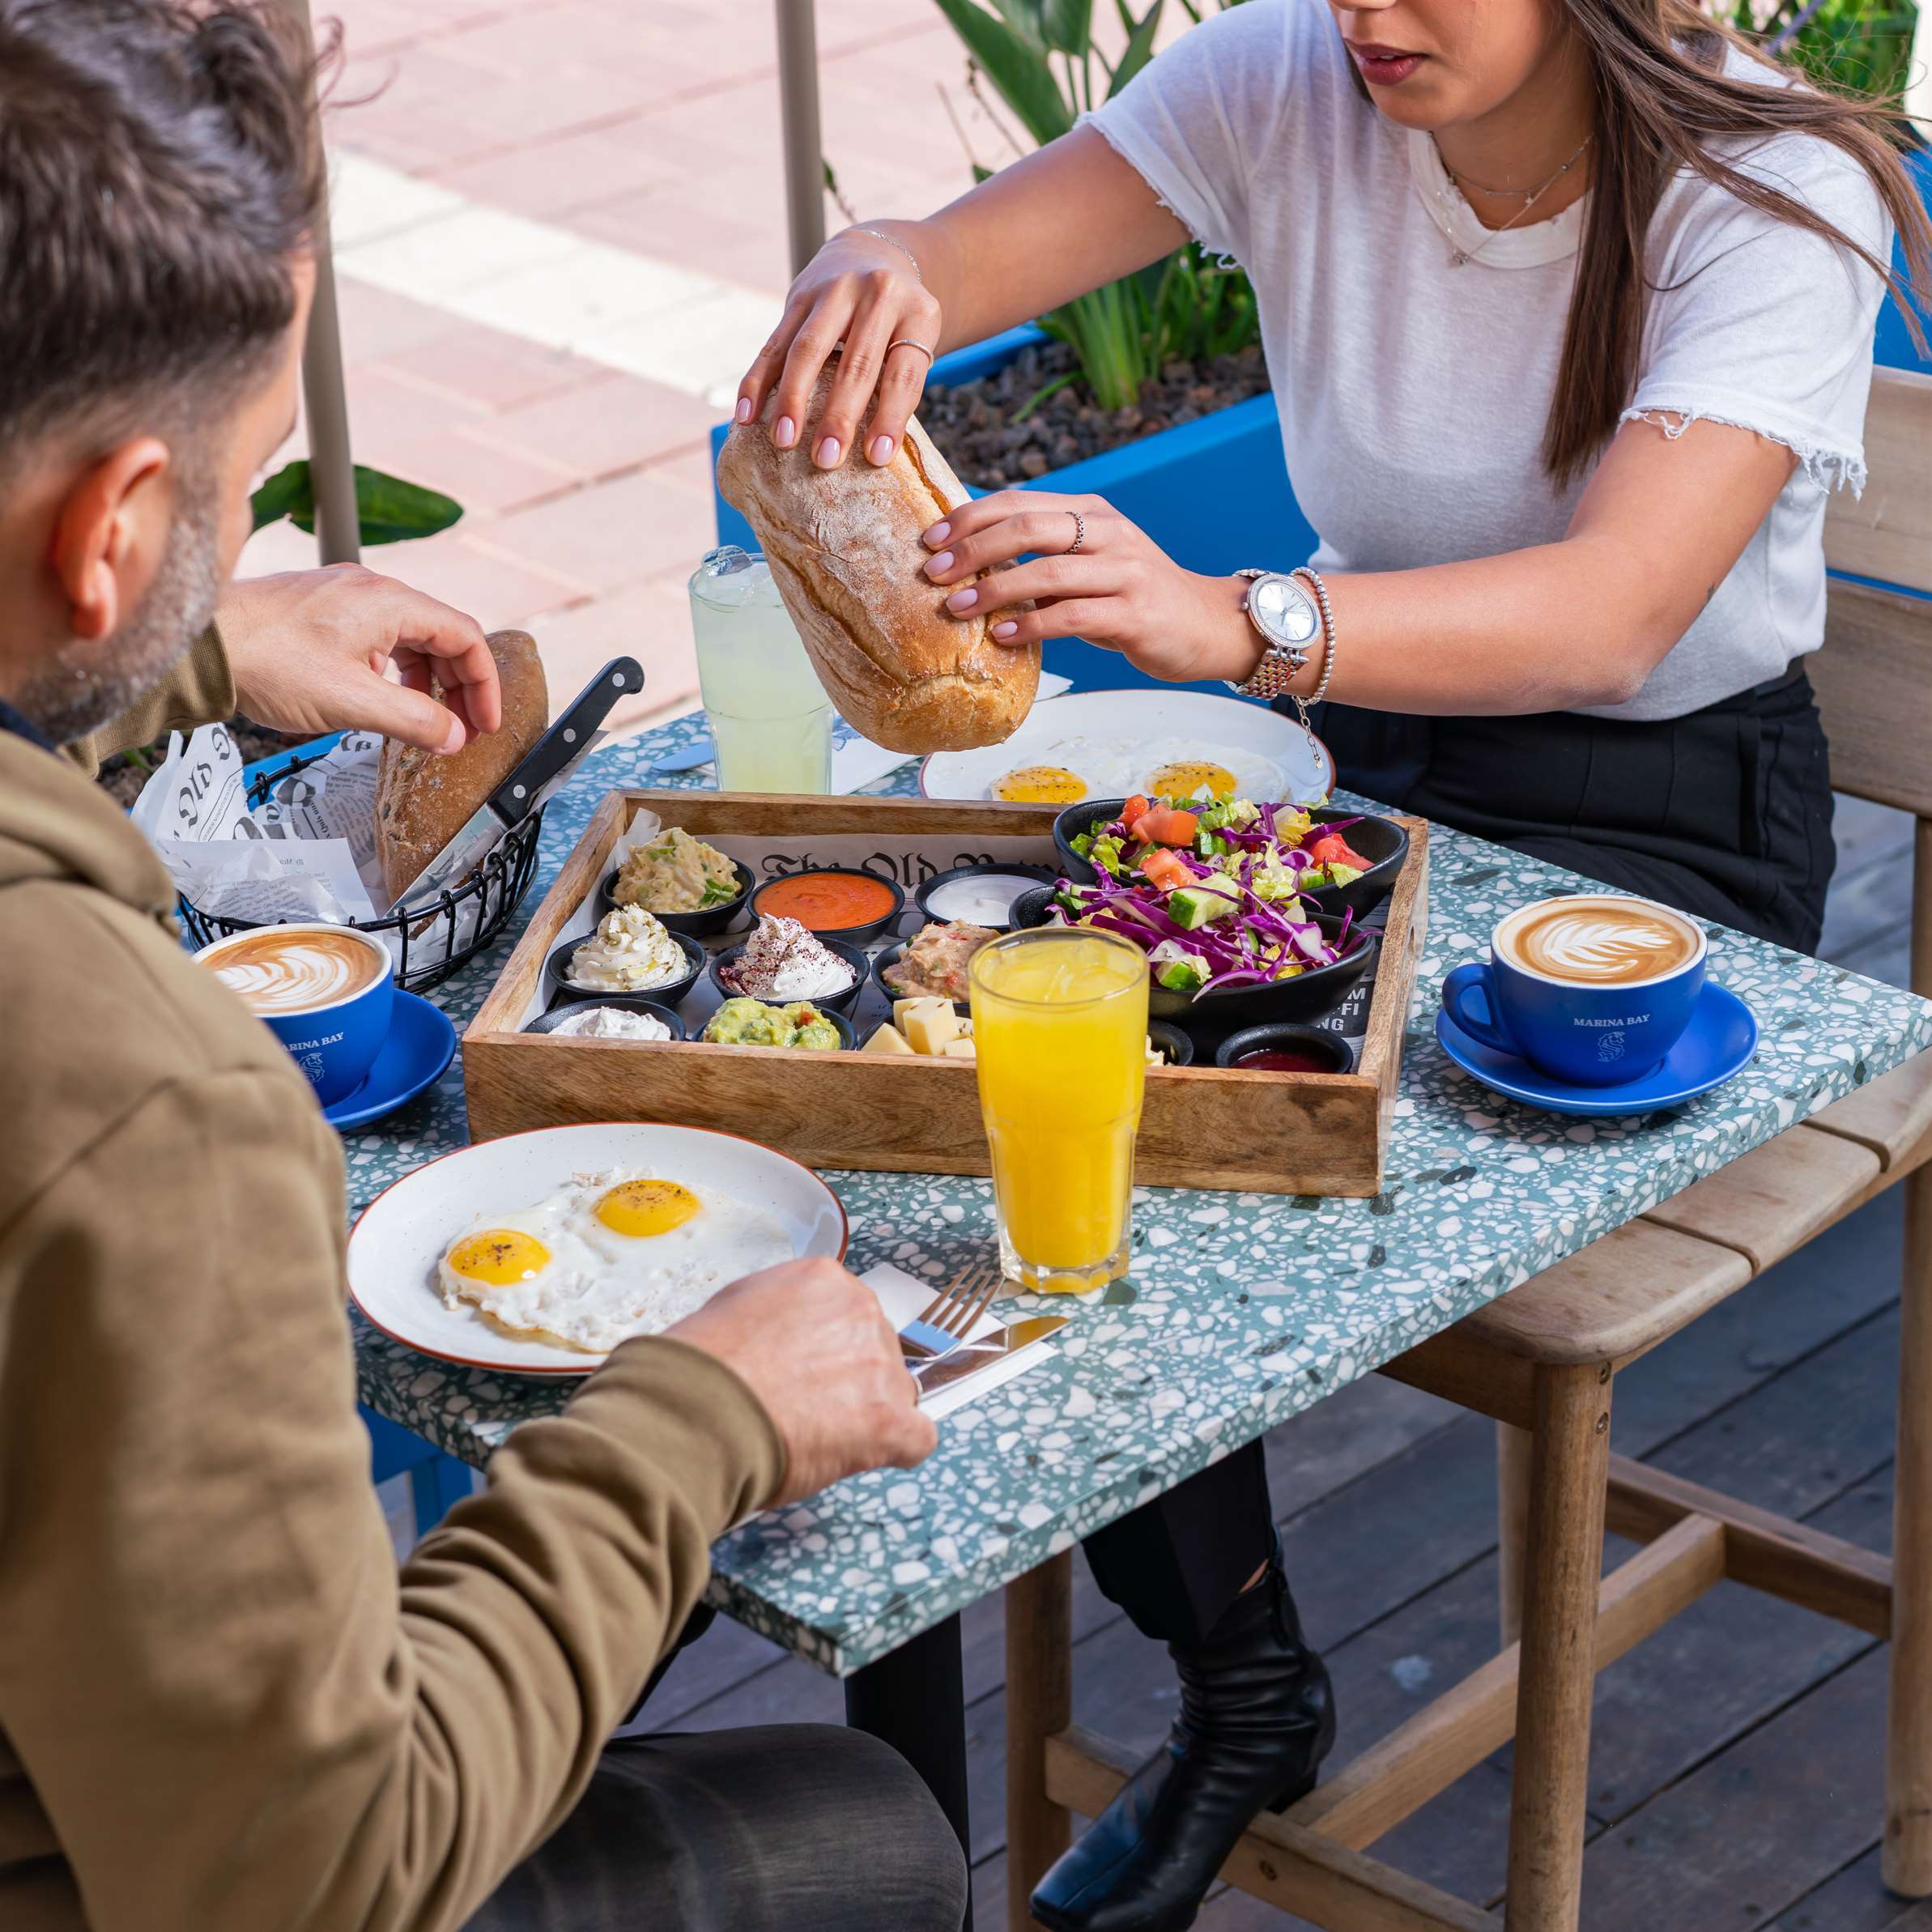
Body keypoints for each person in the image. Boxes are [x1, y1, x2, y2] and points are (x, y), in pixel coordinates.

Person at [737, 1, 1932, 1926]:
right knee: (1021, 1070)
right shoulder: (1284, 77)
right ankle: (1245, 1672)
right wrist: (873, 268)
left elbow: (1617, 614)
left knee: (1164, 1142)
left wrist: (1231, 618)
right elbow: (953, 260)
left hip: (1652, 846)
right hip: (1350, 767)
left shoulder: (1769, 186)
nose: (1363, 14)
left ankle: (1229, 1689)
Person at [0, 6, 967, 1930]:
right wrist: (703, 1419)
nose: (239, 531)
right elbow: (308, 1881)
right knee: (874, 1827)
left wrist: (198, 642)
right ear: (109, 528)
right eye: (238, 488)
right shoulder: (135, 1087)